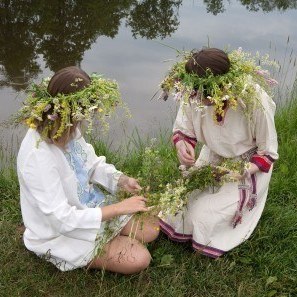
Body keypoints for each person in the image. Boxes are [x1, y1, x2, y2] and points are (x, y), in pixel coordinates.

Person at [17, 66, 159, 273]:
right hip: (60, 232)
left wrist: (121, 180)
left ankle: (112, 237)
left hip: (89, 207)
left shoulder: (67, 128)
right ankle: (90, 248)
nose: (83, 121)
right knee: (138, 259)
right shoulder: (37, 156)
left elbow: (91, 165)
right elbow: (61, 219)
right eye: (82, 115)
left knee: (152, 229)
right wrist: (120, 208)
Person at [159, 48, 278, 257]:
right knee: (174, 209)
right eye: (194, 92)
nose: (197, 98)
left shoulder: (254, 99)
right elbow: (183, 129)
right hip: (211, 157)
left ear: (221, 86)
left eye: (203, 94)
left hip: (245, 165)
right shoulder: (194, 93)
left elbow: (268, 152)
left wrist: (241, 171)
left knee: (203, 217)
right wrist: (183, 146)